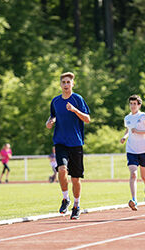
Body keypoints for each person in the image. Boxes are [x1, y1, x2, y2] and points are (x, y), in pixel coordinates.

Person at [46, 72, 90, 220]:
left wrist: (74, 110)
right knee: (61, 170)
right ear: (60, 84)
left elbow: (88, 119)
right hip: (60, 142)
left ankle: (76, 205)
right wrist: (50, 121)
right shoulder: (55, 101)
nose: (66, 85)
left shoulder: (78, 99)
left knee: (76, 179)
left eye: (68, 82)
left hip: (76, 143)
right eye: (63, 82)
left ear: (72, 84)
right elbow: (53, 115)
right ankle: (66, 198)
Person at [120, 95, 145, 210]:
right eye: (131, 104)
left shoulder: (144, 116)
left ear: (139, 105)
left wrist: (139, 131)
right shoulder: (127, 118)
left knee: (144, 176)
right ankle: (134, 200)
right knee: (133, 174)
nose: (132, 106)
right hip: (131, 150)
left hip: (144, 150)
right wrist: (124, 137)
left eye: (135, 104)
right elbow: (128, 130)